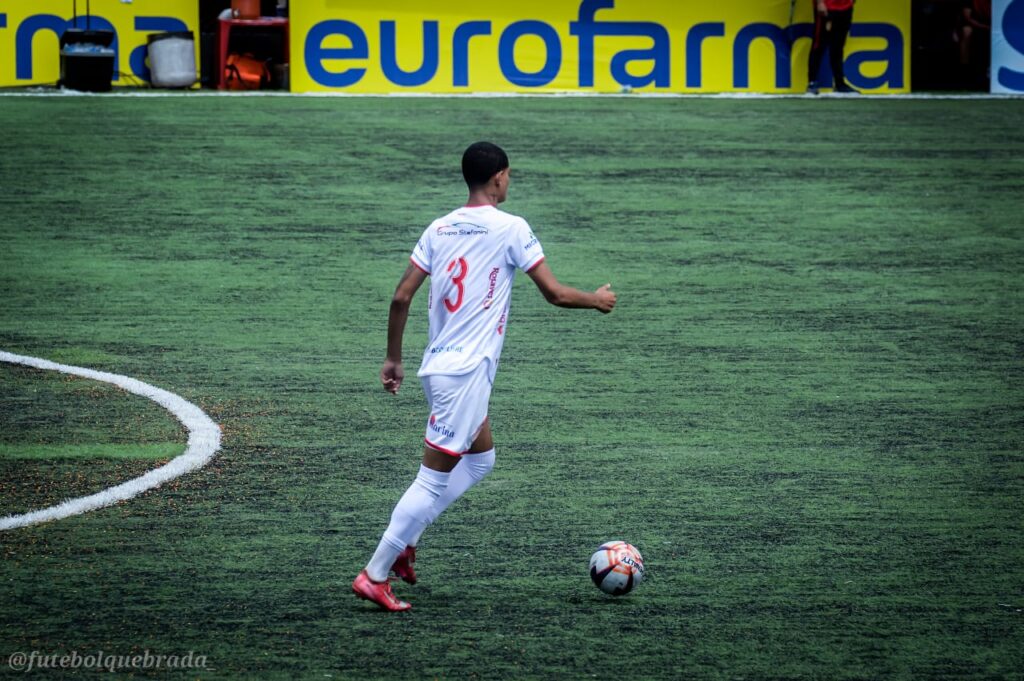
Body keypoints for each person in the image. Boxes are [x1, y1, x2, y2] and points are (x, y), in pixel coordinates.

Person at [352, 141, 618, 611]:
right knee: (430, 480)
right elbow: (554, 294)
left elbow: (400, 297)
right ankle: (375, 573)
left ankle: (406, 543)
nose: (509, 181)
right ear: (497, 177)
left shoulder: (439, 227)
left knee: (480, 461)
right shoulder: (511, 228)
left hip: (440, 367)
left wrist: (393, 358)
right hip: (465, 374)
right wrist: (596, 300)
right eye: (509, 175)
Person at [807, 0, 859, 94]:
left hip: (846, 7)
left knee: (838, 47)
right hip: (827, 6)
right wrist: (819, 2)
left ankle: (840, 84)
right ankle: (812, 82)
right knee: (819, 45)